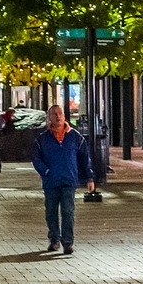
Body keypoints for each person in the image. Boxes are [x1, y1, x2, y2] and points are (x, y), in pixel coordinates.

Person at [32, 105, 95, 255]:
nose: (58, 116)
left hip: (68, 180)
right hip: (51, 181)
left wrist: (89, 177)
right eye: (54, 114)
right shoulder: (42, 139)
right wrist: (45, 171)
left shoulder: (75, 137)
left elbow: (84, 158)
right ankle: (54, 239)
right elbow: (36, 158)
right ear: (49, 118)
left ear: (64, 116)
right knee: (51, 212)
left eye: (60, 113)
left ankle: (67, 242)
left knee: (68, 211)